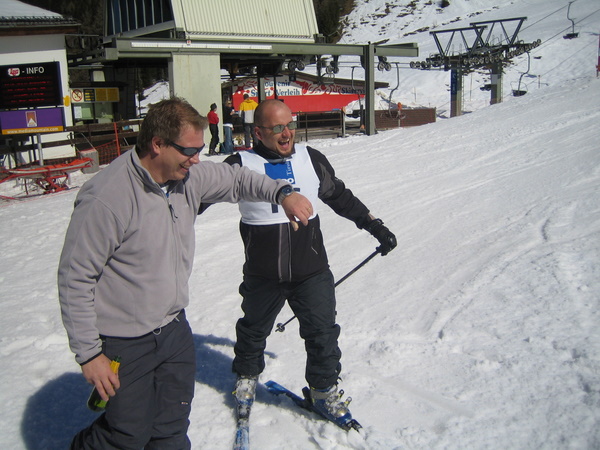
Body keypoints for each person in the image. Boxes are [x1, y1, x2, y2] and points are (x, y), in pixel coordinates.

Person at [58, 97, 313, 449]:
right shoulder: (108, 197)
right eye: (189, 151)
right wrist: (89, 354)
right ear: (157, 144)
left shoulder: (187, 177)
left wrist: (282, 193)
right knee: (126, 433)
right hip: (124, 340)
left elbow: (237, 179)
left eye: (199, 150)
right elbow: (75, 278)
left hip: (174, 330)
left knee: (171, 428)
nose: (196, 160)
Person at [202, 99, 397, 428]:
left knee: (323, 334)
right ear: (258, 132)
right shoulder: (240, 164)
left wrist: (374, 225)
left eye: (290, 125)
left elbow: (340, 197)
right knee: (253, 330)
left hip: (311, 270)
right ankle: (247, 377)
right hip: (263, 273)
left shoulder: (311, 159)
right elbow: (199, 196)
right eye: (277, 127)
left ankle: (323, 391)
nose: (286, 133)